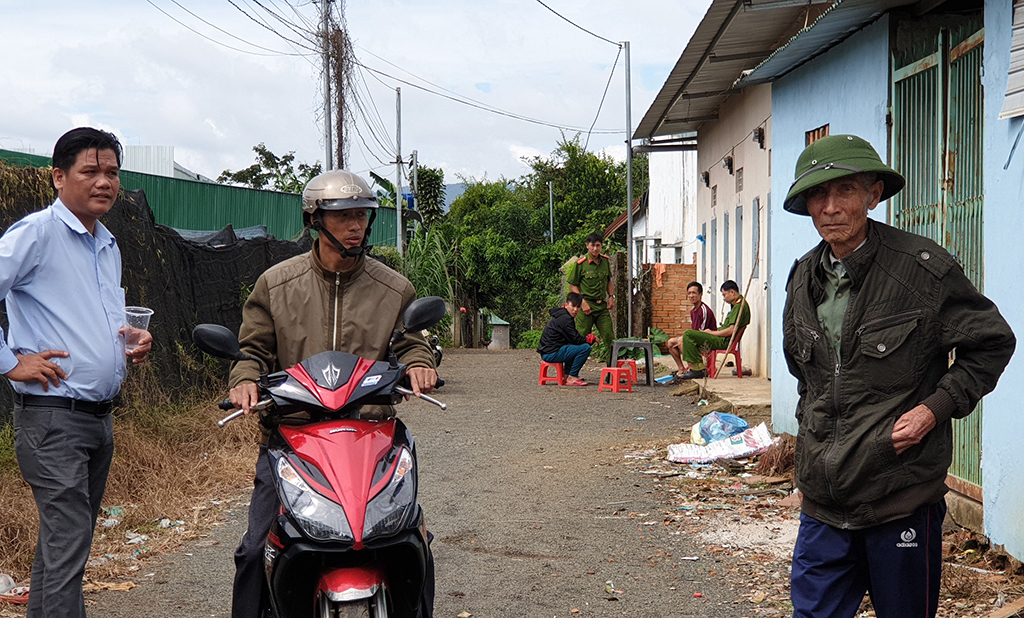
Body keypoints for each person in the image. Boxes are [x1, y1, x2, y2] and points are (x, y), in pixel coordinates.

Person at [781, 134, 1015, 618]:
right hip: (824, 505)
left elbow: (992, 342)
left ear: (873, 195)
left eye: (843, 190)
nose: (829, 207)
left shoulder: (921, 270)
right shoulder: (802, 278)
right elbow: (809, 379)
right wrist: (812, 453)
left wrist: (935, 409)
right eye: (817, 196)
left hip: (899, 497)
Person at [227, 169, 437, 618]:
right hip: (294, 438)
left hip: (371, 435)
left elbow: (411, 340)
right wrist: (244, 378)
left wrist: (420, 363)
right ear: (315, 220)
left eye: (362, 215)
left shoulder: (393, 288)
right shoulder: (276, 285)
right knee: (252, 551)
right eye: (343, 216)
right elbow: (253, 350)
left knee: (411, 542)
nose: (356, 225)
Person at [1, 127, 153, 618]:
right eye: (90, 171)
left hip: (96, 418)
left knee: (65, 542)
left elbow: (98, 318)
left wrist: (130, 340)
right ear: (58, 177)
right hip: (52, 419)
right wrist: (10, 363)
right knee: (68, 538)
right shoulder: (37, 234)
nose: (104, 182)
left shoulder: (105, 244)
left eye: (111, 172)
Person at [674, 280, 750, 380]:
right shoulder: (736, 304)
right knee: (682, 338)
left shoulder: (739, 306)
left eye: (724, 295)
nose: (724, 298)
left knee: (688, 334)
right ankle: (693, 368)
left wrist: (712, 332)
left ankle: (697, 369)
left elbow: (731, 330)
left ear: (732, 292)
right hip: (721, 337)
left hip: (723, 341)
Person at [567, 233, 615, 363]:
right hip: (586, 306)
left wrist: (611, 296)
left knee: (609, 337)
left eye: (598, 245)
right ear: (587, 246)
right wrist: (582, 302)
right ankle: (572, 372)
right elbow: (572, 285)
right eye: (592, 245)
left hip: (602, 307)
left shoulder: (605, 261)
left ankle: (611, 372)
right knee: (580, 339)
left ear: (601, 246)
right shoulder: (581, 264)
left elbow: (608, 280)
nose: (595, 249)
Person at [537, 292, 596, 386]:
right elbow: (576, 339)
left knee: (574, 347)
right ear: (567, 304)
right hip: (551, 353)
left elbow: (573, 339)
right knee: (585, 348)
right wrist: (589, 339)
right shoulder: (565, 319)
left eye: (578, 307)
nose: (575, 310)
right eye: (573, 306)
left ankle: (567, 375)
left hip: (549, 351)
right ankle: (572, 376)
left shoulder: (562, 314)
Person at [666, 281, 716, 378]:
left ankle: (697, 369)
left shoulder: (704, 310)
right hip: (697, 338)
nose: (691, 296)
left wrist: (683, 339)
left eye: (694, 293)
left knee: (682, 342)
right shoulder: (693, 311)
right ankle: (681, 369)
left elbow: (702, 333)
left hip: (707, 340)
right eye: (689, 293)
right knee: (671, 342)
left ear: (700, 294)